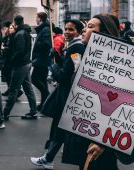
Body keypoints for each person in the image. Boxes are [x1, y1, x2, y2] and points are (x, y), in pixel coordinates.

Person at [61, 14, 134, 170]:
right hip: (85, 131)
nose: (85, 29)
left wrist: (103, 142)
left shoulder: (115, 64)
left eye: (91, 27)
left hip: (100, 139)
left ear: (104, 33)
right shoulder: (88, 55)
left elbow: (122, 109)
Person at [30, 19, 85, 170]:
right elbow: (72, 68)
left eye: (71, 29)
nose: (67, 31)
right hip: (65, 94)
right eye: (66, 29)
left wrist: (52, 65)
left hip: (66, 94)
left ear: (79, 32)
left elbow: (66, 76)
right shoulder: (74, 46)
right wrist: (58, 57)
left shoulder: (76, 48)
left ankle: (48, 158)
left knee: (60, 128)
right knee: (59, 128)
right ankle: (48, 157)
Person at [2, 15, 37, 120]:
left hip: (20, 65)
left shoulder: (20, 34)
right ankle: (33, 111)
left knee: (13, 90)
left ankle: (4, 113)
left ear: (15, 23)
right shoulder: (25, 32)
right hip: (26, 63)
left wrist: (12, 60)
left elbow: (19, 51)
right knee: (28, 88)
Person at [31, 12, 52, 112]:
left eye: (36, 17)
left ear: (40, 18)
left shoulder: (45, 29)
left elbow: (47, 44)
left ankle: (47, 95)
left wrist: (38, 44)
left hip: (41, 60)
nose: (35, 19)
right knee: (42, 81)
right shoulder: (44, 29)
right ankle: (45, 104)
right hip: (41, 59)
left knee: (34, 79)